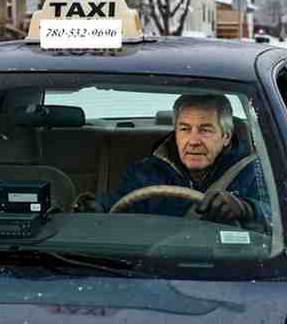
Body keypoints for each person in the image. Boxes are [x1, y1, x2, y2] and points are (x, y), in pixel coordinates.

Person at [73, 94, 270, 226]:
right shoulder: (145, 172)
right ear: (175, 133)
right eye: (185, 129)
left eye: (205, 130)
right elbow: (119, 205)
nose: (193, 141)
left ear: (226, 136)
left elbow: (281, 221)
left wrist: (247, 208)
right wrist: (96, 208)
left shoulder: (254, 171)